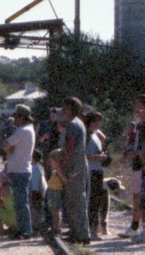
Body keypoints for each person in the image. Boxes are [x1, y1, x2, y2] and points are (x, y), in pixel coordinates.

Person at [122, 93, 145, 238]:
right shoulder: (138, 126)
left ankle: (144, 227)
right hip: (137, 165)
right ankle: (136, 226)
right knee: (137, 197)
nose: (135, 106)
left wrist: (136, 153)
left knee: (143, 197)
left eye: (138, 104)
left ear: (144, 106)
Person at [60, 97, 90, 244]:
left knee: (76, 199)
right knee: (73, 199)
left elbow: (70, 147)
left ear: (70, 109)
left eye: (64, 107)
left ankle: (82, 234)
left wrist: (63, 165)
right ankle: (76, 231)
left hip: (74, 167)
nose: (62, 110)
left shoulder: (72, 125)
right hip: (79, 165)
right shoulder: (79, 123)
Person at [2, 104, 35, 237]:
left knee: (21, 202)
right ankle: (22, 229)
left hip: (19, 170)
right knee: (20, 202)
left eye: (16, 116)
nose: (14, 119)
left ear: (22, 117)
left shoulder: (22, 131)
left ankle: (25, 231)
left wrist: (10, 149)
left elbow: (5, 144)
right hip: (20, 169)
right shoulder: (28, 130)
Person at [85, 111, 111, 239]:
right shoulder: (86, 136)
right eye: (96, 121)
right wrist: (97, 157)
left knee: (96, 201)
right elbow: (83, 156)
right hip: (90, 170)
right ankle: (89, 229)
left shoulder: (95, 135)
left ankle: (94, 229)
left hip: (98, 170)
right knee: (90, 201)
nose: (98, 124)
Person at [44, 149, 65, 236]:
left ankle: (56, 228)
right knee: (53, 211)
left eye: (51, 161)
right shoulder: (54, 171)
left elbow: (64, 180)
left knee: (55, 210)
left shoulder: (58, 170)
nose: (49, 163)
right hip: (52, 191)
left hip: (56, 191)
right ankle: (54, 227)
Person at [28, 149, 46, 232]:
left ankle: (36, 226)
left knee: (34, 209)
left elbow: (37, 182)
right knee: (36, 209)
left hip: (34, 191)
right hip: (36, 191)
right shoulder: (37, 168)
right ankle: (36, 225)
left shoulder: (33, 169)